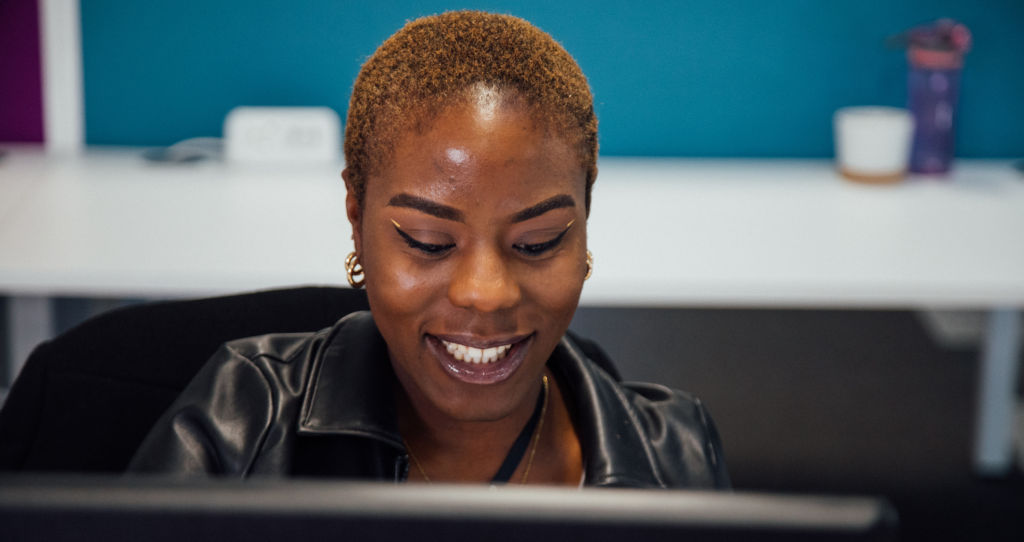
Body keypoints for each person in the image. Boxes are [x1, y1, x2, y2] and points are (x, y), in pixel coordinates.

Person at [128, 11, 730, 489]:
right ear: (356, 217)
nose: (485, 292)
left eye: (536, 242)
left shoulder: (674, 456)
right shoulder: (240, 426)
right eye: (429, 242)